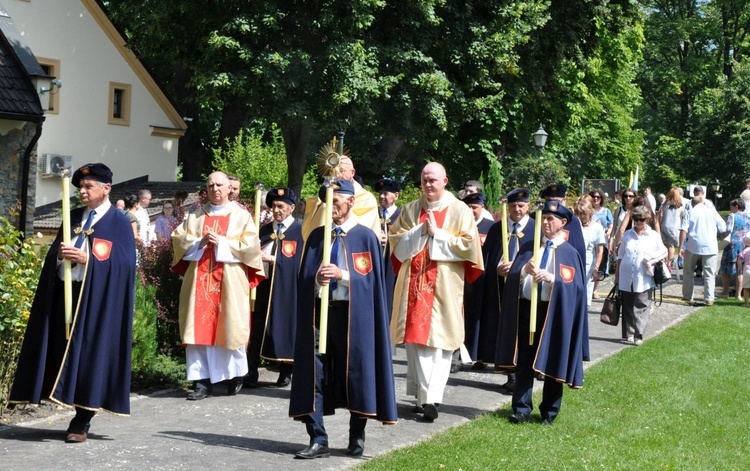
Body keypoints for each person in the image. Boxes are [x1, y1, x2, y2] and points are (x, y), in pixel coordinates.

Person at [9, 163, 136, 443]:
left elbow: (125, 265)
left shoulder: (119, 222)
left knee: (88, 355)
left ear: (106, 188)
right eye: (81, 186)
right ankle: (47, 394)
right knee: (57, 348)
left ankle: (82, 419)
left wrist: (88, 259)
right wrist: (59, 256)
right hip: (66, 294)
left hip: (96, 301)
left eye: (89, 186)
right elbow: (55, 254)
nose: (83, 190)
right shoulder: (73, 217)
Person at [289, 179, 397, 459]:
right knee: (315, 373)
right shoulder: (317, 237)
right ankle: (318, 438)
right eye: (328, 200)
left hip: (353, 316)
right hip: (320, 314)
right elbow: (303, 279)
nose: (331, 206)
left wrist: (343, 275)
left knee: (356, 374)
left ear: (351, 201)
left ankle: (356, 434)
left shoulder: (366, 237)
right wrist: (316, 278)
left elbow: (373, 284)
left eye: (337, 200)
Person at [389, 162, 484, 422]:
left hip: (444, 286)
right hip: (414, 285)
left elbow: (470, 247)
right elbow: (396, 244)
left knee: (441, 344)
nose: (428, 184)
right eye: (424, 179)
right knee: (417, 342)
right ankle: (424, 398)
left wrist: (438, 235)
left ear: (445, 181)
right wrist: (420, 231)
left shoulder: (460, 210)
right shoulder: (410, 209)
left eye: (433, 180)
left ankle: (432, 397)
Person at [171, 171, 265, 400]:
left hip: (229, 282)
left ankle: (233, 376)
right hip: (199, 283)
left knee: (229, 326)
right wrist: (199, 242)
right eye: (211, 185)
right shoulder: (195, 216)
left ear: (229, 188)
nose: (215, 189)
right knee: (197, 330)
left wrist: (221, 242)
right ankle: (201, 381)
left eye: (219, 185)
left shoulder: (241, 216)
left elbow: (251, 247)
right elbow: (178, 239)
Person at [496, 200, 588, 425]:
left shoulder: (569, 252)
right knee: (524, 360)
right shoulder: (530, 246)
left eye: (551, 219)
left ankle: (549, 412)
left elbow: (576, 288)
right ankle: (521, 408)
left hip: (553, 312)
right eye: (543, 218)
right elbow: (513, 279)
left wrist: (552, 278)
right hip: (527, 309)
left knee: (553, 360)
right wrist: (523, 271)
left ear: (563, 223)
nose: (545, 223)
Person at [474, 187, 534, 394]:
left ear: (528, 206)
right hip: (500, 288)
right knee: (504, 328)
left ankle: (521, 372)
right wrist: (497, 267)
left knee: (523, 329)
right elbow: (486, 257)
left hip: (525, 289)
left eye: (521, 205)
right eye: (513, 206)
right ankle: (509, 372)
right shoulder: (496, 229)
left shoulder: (536, 229)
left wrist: (519, 268)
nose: (517, 209)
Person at [245, 187, 302, 388]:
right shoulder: (265, 230)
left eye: (281, 206)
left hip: (287, 290)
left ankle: (286, 370)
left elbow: (299, 263)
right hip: (263, 287)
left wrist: (273, 259)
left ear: (291, 208)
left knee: (286, 327)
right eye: (273, 207)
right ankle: (251, 370)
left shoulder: (300, 231)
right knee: (258, 327)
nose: (276, 210)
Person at [615, 206, 667, 346]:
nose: (638, 222)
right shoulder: (627, 235)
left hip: (644, 275)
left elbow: (664, 251)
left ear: (647, 219)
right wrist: (617, 275)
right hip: (627, 274)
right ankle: (628, 333)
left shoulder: (653, 235)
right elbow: (620, 255)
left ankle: (639, 334)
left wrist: (651, 259)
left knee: (642, 305)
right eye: (636, 219)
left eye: (642, 219)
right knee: (627, 306)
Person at [301, 155, 380, 240]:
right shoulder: (322, 198)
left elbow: (367, 230)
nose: (337, 175)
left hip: (353, 246)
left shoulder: (366, 199)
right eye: (333, 171)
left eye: (341, 171)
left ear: (352, 172)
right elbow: (311, 228)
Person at [457, 191, 494, 370]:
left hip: (481, 280)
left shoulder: (490, 227)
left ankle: (479, 357)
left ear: (482, 208)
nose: (471, 210)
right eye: (468, 207)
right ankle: (456, 356)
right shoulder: (458, 225)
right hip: (459, 278)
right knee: (458, 317)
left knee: (479, 317)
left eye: (475, 207)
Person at [678, 185, 726, 306]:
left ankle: (688, 296)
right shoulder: (712, 212)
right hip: (710, 246)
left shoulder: (690, 212)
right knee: (709, 274)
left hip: (693, 245)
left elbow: (683, 230)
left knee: (688, 271)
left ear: (693, 203)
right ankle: (709, 298)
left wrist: (680, 247)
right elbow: (723, 228)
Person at [374, 177, 401, 316]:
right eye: (380, 193)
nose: (382, 197)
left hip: (392, 266)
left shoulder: (402, 216)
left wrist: (390, 240)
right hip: (373, 263)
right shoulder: (372, 214)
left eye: (386, 193)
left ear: (396, 195)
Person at [574, 196, 606, 308]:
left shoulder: (597, 228)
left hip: (588, 264)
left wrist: (596, 268)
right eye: (579, 213)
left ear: (590, 212)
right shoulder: (574, 226)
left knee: (585, 298)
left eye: (584, 213)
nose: (581, 216)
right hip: (573, 262)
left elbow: (599, 251)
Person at [719, 199, 750, 299]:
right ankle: (738, 295)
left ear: (736, 206)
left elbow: (728, 230)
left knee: (726, 270)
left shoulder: (732, 216)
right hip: (744, 244)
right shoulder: (748, 216)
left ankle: (725, 292)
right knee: (740, 271)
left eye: (731, 206)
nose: (730, 208)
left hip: (732, 245)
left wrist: (721, 236)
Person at [589, 189, 613, 298]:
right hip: (590, 241)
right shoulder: (588, 210)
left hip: (602, 240)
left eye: (598, 197)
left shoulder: (607, 211)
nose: (595, 199)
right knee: (590, 263)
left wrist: (608, 233)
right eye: (594, 196)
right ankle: (588, 288)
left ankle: (595, 289)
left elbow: (611, 225)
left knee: (599, 266)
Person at [657, 188, 685, 280]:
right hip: (675, 228)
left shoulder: (664, 204)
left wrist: (660, 224)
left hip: (665, 226)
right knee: (672, 247)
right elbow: (682, 217)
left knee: (665, 246)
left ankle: (665, 262)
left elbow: (660, 215)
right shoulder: (680, 205)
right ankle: (669, 263)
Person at [738, 236, 750, 306]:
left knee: (746, 288)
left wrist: (741, 267)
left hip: (747, 269)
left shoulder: (745, 250)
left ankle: (746, 303)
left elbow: (739, 259)